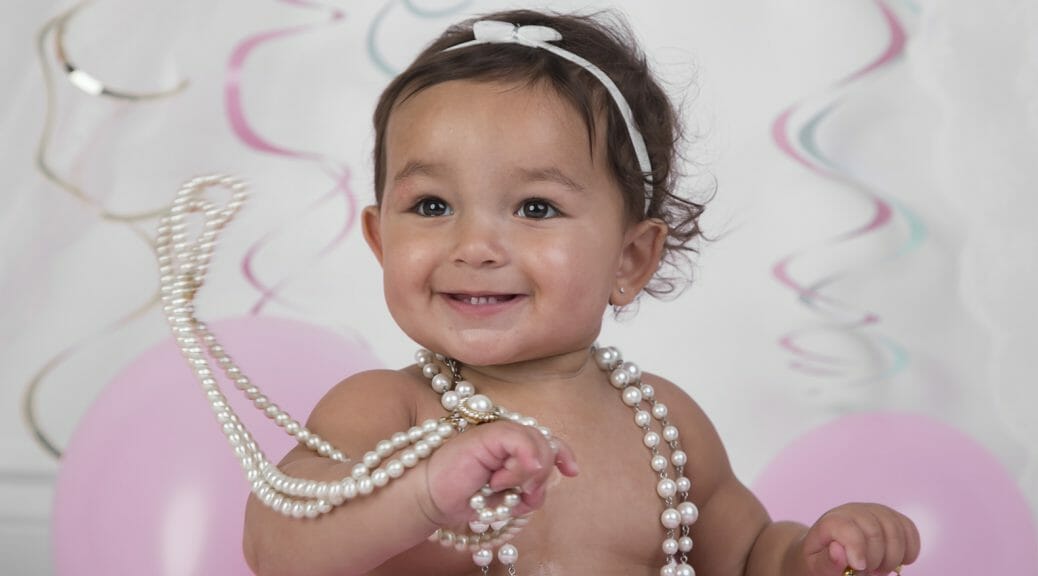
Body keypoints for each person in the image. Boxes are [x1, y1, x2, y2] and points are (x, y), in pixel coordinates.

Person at [241, 9, 921, 576]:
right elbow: (276, 546)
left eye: (535, 208)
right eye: (431, 206)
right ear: (380, 238)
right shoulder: (388, 412)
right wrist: (419, 497)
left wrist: (814, 556)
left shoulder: (665, 424)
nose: (475, 246)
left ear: (631, 258)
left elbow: (744, 555)